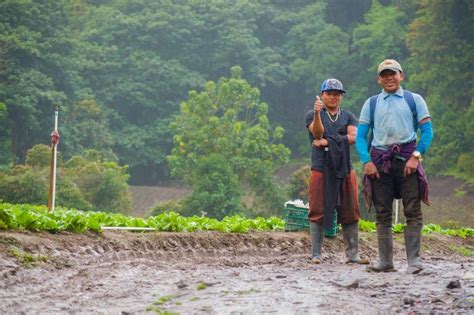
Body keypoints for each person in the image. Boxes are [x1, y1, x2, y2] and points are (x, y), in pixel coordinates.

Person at [355, 59, 433, 274]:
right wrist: (366, 161)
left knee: (412, 210)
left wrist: (416, 156)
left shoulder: (414, 100)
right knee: (382, 212)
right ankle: (385, 262)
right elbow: (361, 136)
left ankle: (414, 262)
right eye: (384, 74)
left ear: (401, 76)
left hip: (408, 159)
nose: (389, 78)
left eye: (393, 74)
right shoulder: (371, 103)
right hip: (379, 162)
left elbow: (427, 132)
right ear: (379, 79)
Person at [305, 78, 369, 265]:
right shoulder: (312, 114)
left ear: (341, 96)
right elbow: (317, 134)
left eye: (337, 94)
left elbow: (354, 136)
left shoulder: (347, 116)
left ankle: (352, 254)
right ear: (322, 95)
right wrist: (317, 114)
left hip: (344, 166)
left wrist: (328, 141)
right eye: (329, 93)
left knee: (351, 208)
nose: (333, 97)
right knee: (317, 208)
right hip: (321, 167)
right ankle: (316, 254)